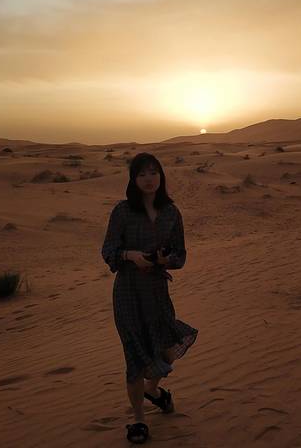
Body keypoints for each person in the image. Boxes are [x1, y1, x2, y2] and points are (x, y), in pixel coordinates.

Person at [101, 152, 198, 444]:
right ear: (133, 179)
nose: (148, 179)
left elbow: (180, 254)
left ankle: (152, 390)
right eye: (141, 174)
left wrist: (164, 260)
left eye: (153, 172)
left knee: (167, 347)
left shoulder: (171, 213)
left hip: (156, 290)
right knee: (134, 356)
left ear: (161, 176)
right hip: (128, 291)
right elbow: (108, 251)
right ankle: (138, 420)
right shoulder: (122, 211)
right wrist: (130, 255)